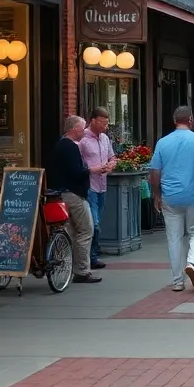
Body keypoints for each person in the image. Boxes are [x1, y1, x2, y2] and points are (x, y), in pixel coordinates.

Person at [149, 106, 194, 292]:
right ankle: (193, 263)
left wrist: (157, 194)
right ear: (191, 120)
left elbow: (155, 172)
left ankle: (177, 280)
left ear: (174, 121)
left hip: (170, 197)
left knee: (174, 238)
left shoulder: (162, 142)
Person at [47, 115, 102, 284]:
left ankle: (68, 266)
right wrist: (94, 170)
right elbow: (75, 172)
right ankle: (82, 270)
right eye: (82, 127)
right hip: (73, 195)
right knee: (86, 230)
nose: (84, 131)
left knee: (70, 231)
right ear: (74, 129)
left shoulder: (61, 145)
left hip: (62, 193)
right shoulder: (70, 147)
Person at [80, 107, 116, 270]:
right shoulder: (83, 140)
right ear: (92, 120)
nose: (104, 126)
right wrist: (94, 169)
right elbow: (79, 164)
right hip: (90, 186)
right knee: (93, 224)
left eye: (106, 123)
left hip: (103, 186)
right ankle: (91, 257)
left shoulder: (105, 139)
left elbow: (112, 157)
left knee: (98, 221)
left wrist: (111, 165)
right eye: (102, 122)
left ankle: (92, 254)